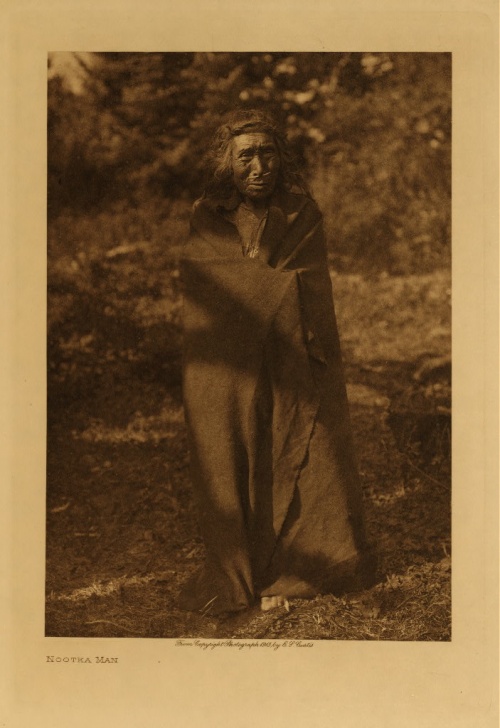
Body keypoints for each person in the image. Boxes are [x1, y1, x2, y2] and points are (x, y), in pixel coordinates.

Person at [178, 109, 376, 615]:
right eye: (246, 156)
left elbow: (306, 285)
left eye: (268, 154)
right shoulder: (208, 217)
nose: (259, 167)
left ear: (281, 159)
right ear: (227, 163)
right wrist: (260, 288)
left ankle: (303, 569)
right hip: (229, 361)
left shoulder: (300, 213)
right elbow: (208, 286)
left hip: (295, 352)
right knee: (230, 449)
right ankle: (240, 570)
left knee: (310, 451)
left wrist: (257, 288)